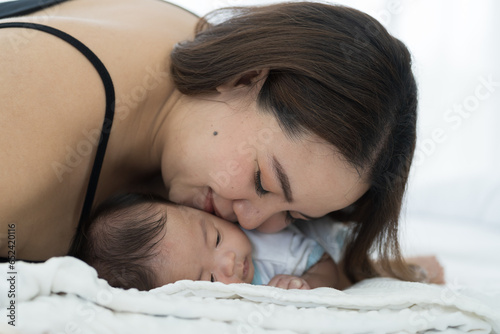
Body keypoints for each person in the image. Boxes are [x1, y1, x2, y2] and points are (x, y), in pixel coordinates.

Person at [1, 0, 420, 284]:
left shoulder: (205, 65)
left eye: (292, 214)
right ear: (243, 78)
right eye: (262, 181)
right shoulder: (23, 161)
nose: (254, 223)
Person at [74, 193, 350, 291]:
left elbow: (326, 263)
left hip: (342, 237)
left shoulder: (268, 246)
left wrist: (309, 283)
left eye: (216, 237)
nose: (229, 262)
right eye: (209, 280)